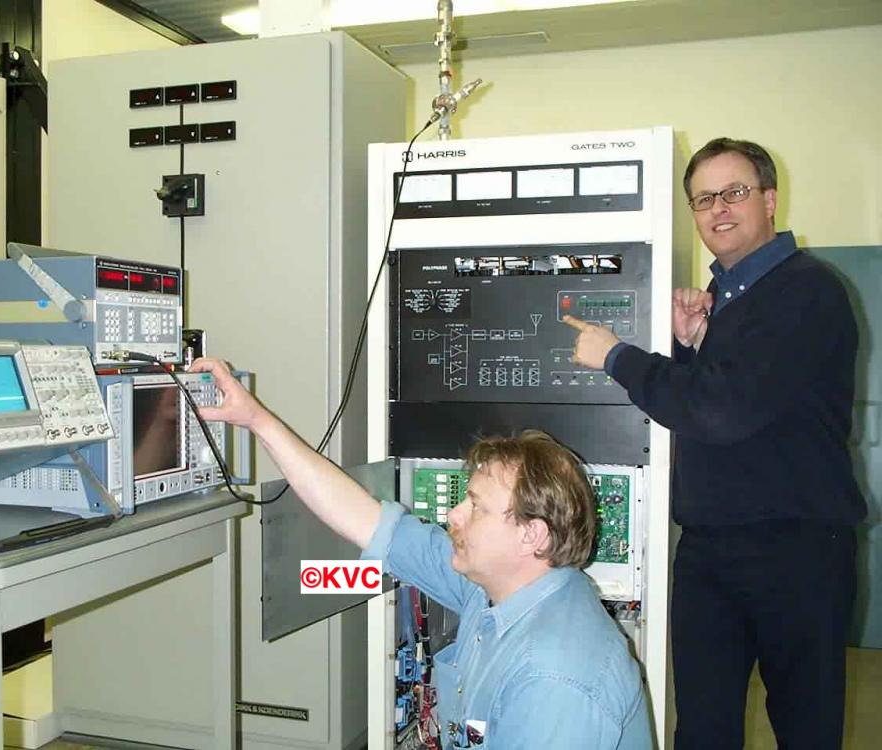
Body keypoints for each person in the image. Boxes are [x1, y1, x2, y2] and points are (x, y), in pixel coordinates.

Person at [563, 137, 865, 749]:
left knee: (806, 728)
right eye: (704, 199)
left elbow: (723, 412)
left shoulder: (807, 290)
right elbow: (713, 408)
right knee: (702, 729)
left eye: (735, 192)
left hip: (796, 551)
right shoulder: (725, 301)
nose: (719, 209)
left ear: (770, 199)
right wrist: (690, 344)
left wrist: (617, 356)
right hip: (709, 551)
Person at [190, 357, 652, 749]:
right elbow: (361, 516)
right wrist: (256, 419)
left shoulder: (554, 678)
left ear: (532, 536)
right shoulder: (496, 591)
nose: (454, 514)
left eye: (476, 506)